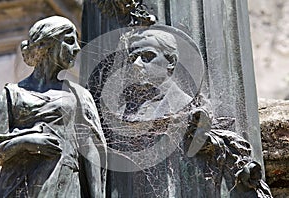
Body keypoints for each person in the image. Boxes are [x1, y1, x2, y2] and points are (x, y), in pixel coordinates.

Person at [90, 27, 272, 197]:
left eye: (147, 57)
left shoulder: (183, 104)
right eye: (132, 59)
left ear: (171, 62)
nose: (136, 65)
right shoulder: (123, 111)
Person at [0, 16, 106, 198]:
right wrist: (27, 141)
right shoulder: (12, 94)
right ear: (46, 45)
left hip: (64, 184)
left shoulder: (79, 95)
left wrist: (96, 195)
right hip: (17, 186)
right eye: (68, 41)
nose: (76, 49)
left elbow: (91, 150)